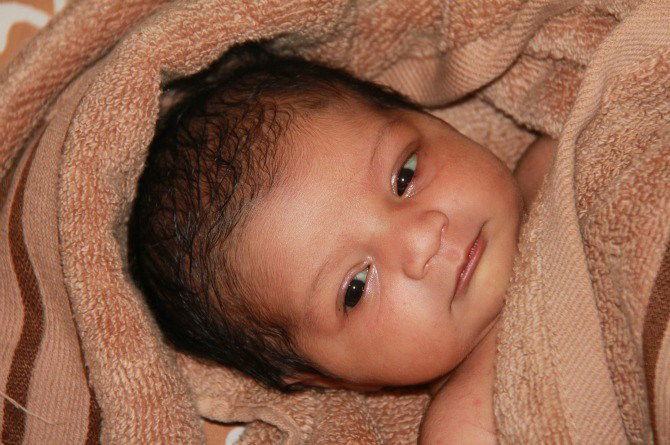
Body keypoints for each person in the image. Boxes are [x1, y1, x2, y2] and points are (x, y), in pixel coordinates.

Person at [127, 42, 555, 443]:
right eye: (356, 288)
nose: (423, 238)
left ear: (427, 116)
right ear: (330, 377)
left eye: (405, 176)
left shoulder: (567, 148)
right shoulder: (472, 427)